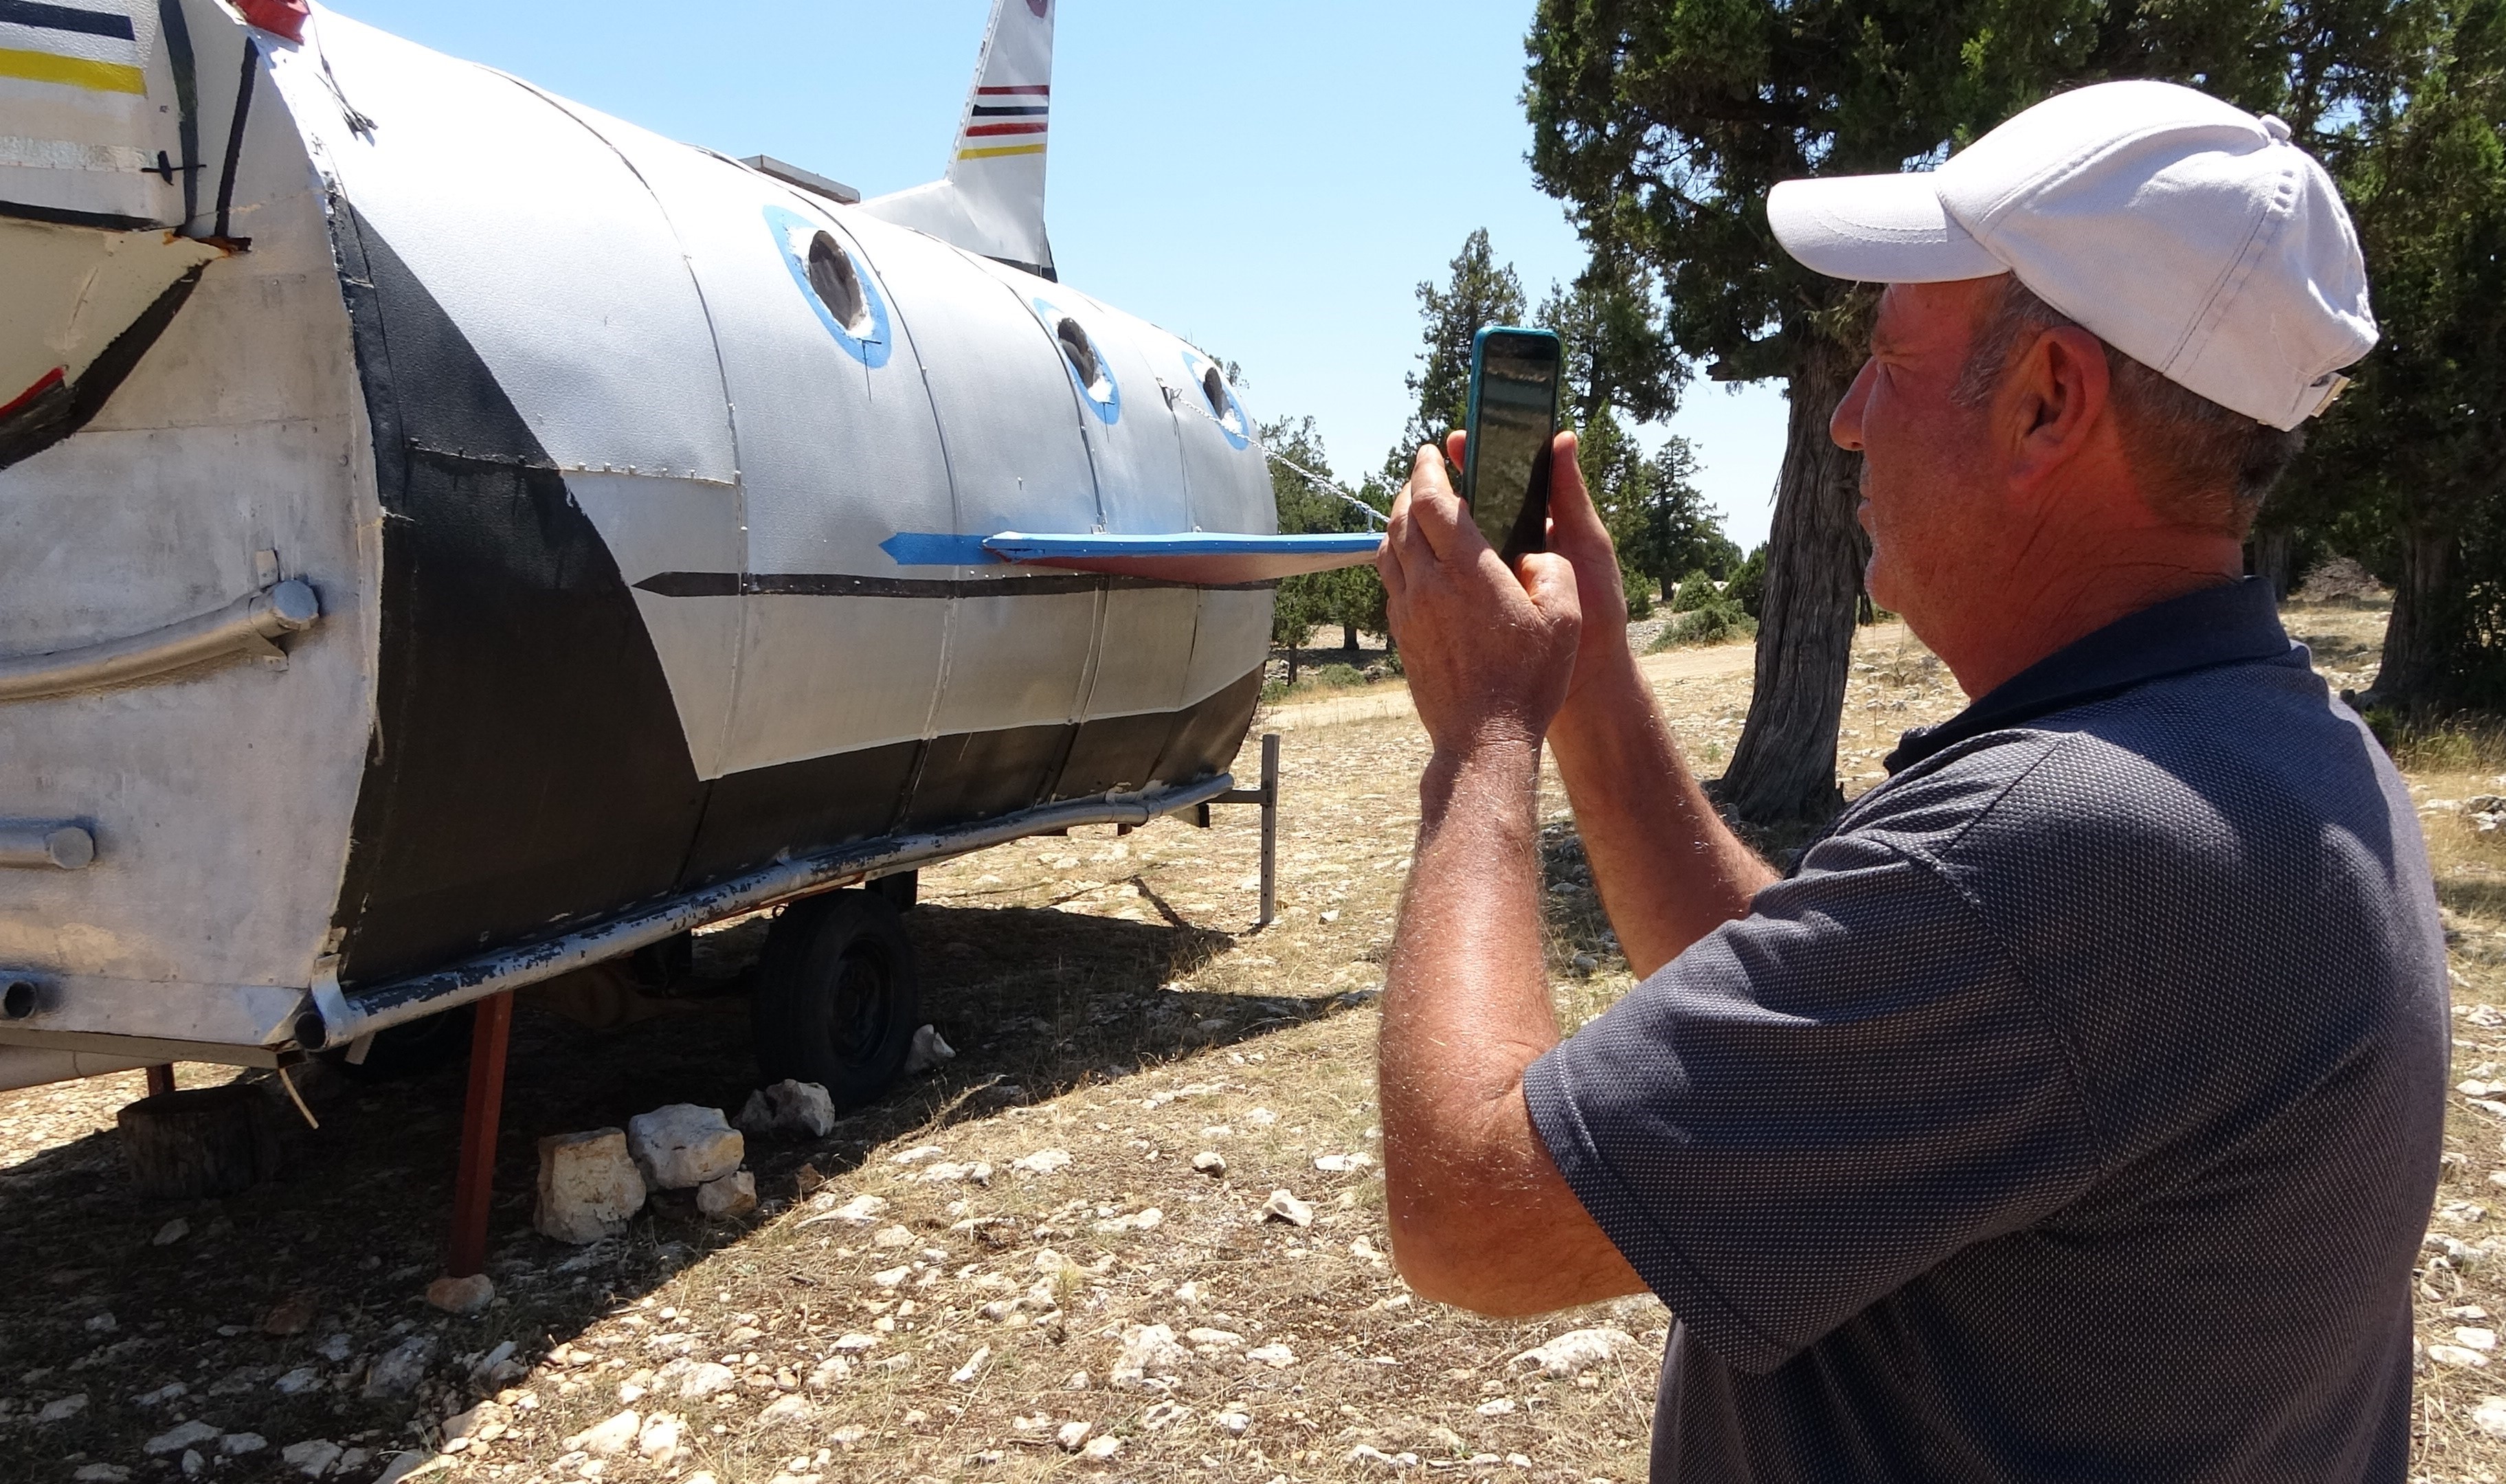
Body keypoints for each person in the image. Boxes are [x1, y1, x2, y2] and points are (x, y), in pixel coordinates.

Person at [1374, 80, 2446, 1480]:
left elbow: (1469, 1213)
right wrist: (1592, 688)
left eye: (1892, 360)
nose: (1850, 422)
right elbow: (1828, 1027)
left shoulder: (2059, 848)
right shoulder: (2276, 750)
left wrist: (1482, 745)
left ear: (2049, 401)